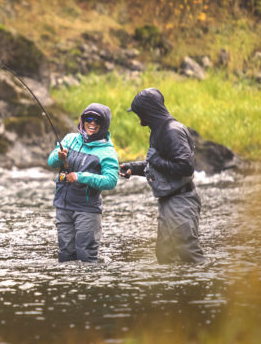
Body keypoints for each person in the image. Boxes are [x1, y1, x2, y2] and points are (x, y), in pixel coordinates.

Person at [119, 88, 205, 263]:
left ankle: (200, 288)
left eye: (140, 114)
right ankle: (174, 289)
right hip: (168, 201)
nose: (139, 119)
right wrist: (133, 168)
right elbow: (159, 165)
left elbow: (186, 167)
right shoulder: (159, 130)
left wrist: (156, 159)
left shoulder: (172, 131)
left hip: (181, 201)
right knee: (165, 254)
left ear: (148, 111)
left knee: (188, 251)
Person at [47, 103, 119, 262]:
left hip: (87, 210)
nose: (92, 123)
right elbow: (51, 163)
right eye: (89, 118)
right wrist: (59, 157)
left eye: (97, 121)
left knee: (86, 255)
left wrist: (81, 177)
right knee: (65, 255)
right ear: (82, 120)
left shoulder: (107, 152)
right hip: (63, 206)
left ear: (104, 125)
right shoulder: (70, 139)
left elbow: (111, 181)